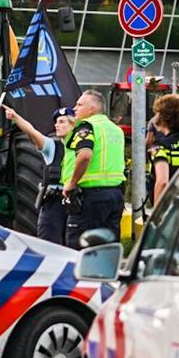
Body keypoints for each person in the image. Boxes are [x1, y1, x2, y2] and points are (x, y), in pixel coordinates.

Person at [3, 104, 75, 247]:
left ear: (73, 124)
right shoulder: (52, 147)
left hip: (74, 201)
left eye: (62, 122)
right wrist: (16, 117)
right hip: (53, 203)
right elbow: (33, 132)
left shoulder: (83, 147)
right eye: (56, 122)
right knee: (49, 244)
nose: (57, 125)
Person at [63, 89, 126, 248]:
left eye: (80, 104)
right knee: (107, 247)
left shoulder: (86, 126)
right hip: (115, 195)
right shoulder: (115, 129)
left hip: (91, 197)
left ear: (92, 109)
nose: (74, 108)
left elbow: (85, 155)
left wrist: (72, 183)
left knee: (81, 248)